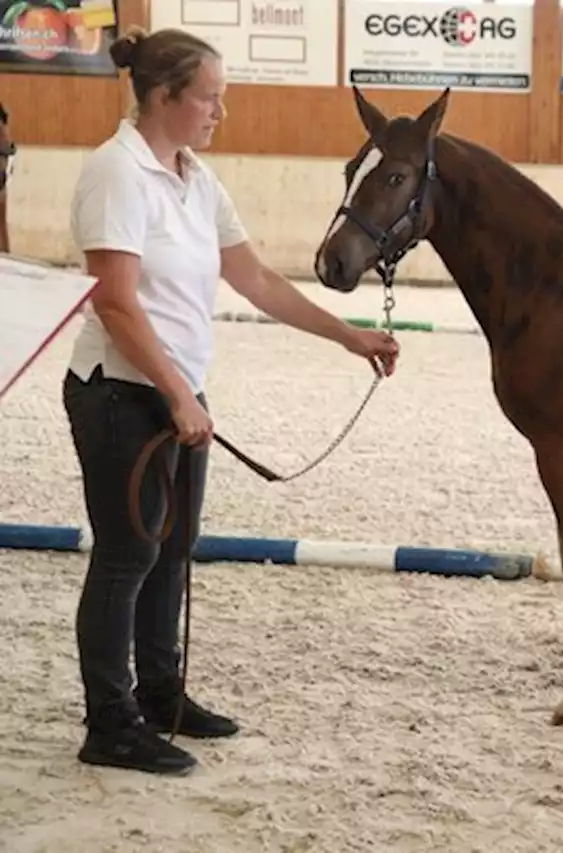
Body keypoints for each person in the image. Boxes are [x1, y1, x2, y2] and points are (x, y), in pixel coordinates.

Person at [61, 25, 400, 776]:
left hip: (176, 392)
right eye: (210, 99)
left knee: (171, 550)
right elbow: (116, 304)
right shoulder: (116, 174)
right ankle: (109, 720)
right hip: (119, 393)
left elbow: (260, 283)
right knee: (127, 554)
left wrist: (351, 338)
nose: (222, 113)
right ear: (163, 98)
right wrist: (179, 393)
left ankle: (160, 696)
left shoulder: (194, 178)